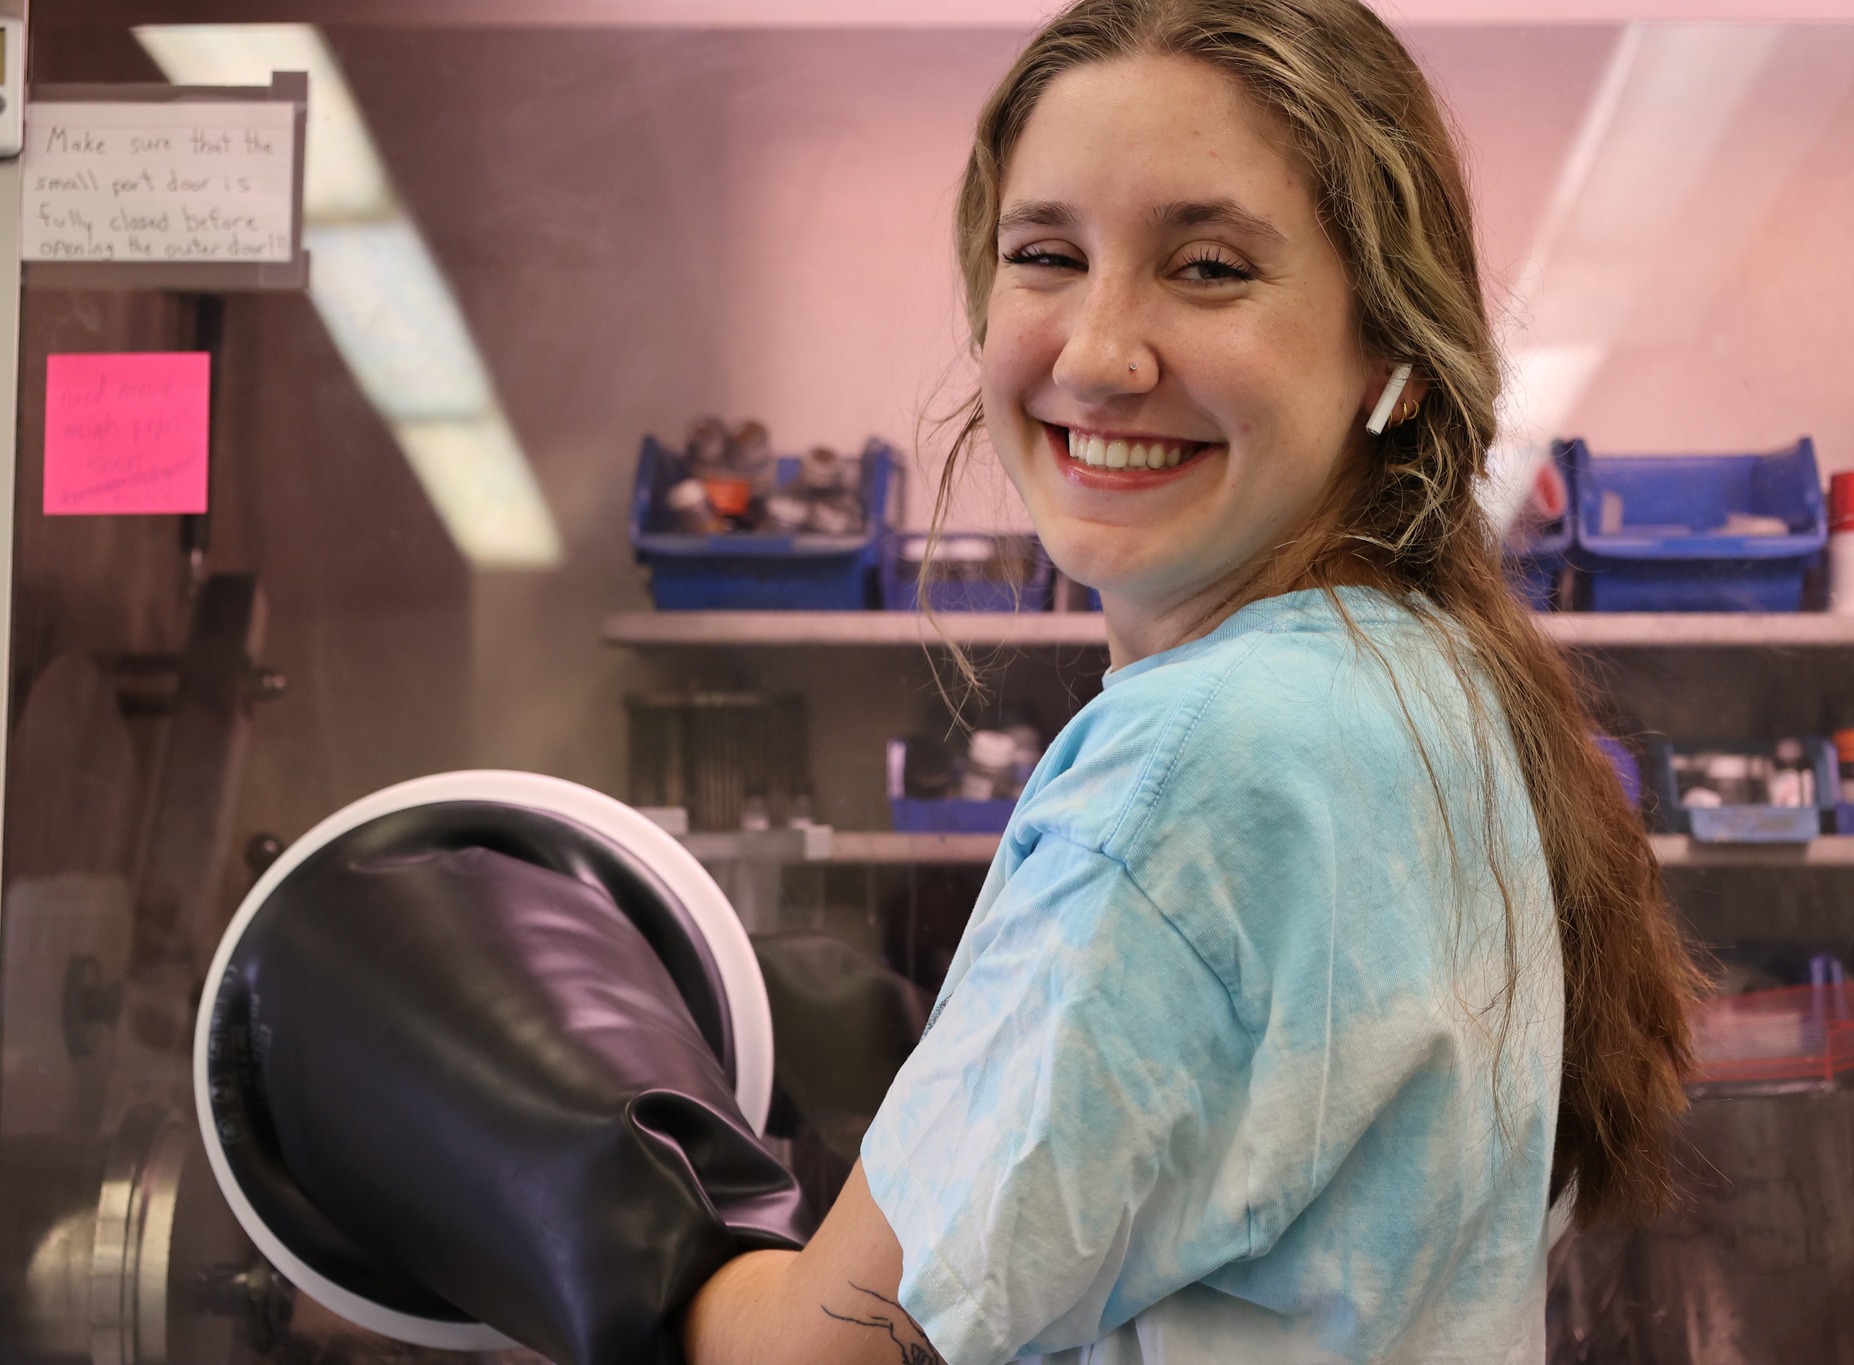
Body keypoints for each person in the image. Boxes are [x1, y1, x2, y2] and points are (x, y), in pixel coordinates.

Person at [683, 1, 1698, 1360]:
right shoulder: (1428, 675)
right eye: (1046, 254)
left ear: (1388, 346)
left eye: (1209, 267)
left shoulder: (1209, 754)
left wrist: (616, 1200)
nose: (1100, 353)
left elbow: (819, 1356)